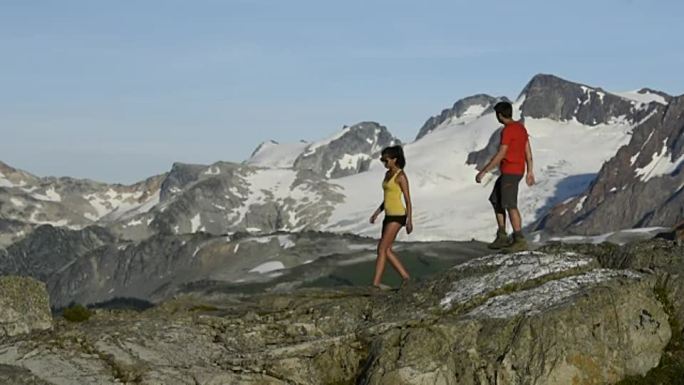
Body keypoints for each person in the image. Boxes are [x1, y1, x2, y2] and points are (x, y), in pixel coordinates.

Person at [476, 101, 535, 251]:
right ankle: (502, 235)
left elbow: (501, 153)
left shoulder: (508, 131)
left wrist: (484, 171)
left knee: (510, 204)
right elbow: (528, 152)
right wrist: (529, 171)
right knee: (496, 199)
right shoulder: (521, 128)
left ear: (500, 115)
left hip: (511, 171)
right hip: (515, 171)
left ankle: (519, 239)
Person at [369, 145, 413, 290]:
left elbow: (407, 199)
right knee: (386, 250)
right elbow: (388, 197)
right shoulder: (388, 174)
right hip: (388, 215)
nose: (384, 163)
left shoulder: (401, 176)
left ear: (395, 159)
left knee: (381, 248)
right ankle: (406, 277)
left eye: (386, 160)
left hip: (398, 215)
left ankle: (375, 284)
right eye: (382, 160)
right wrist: (377, 212)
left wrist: (409, 220)